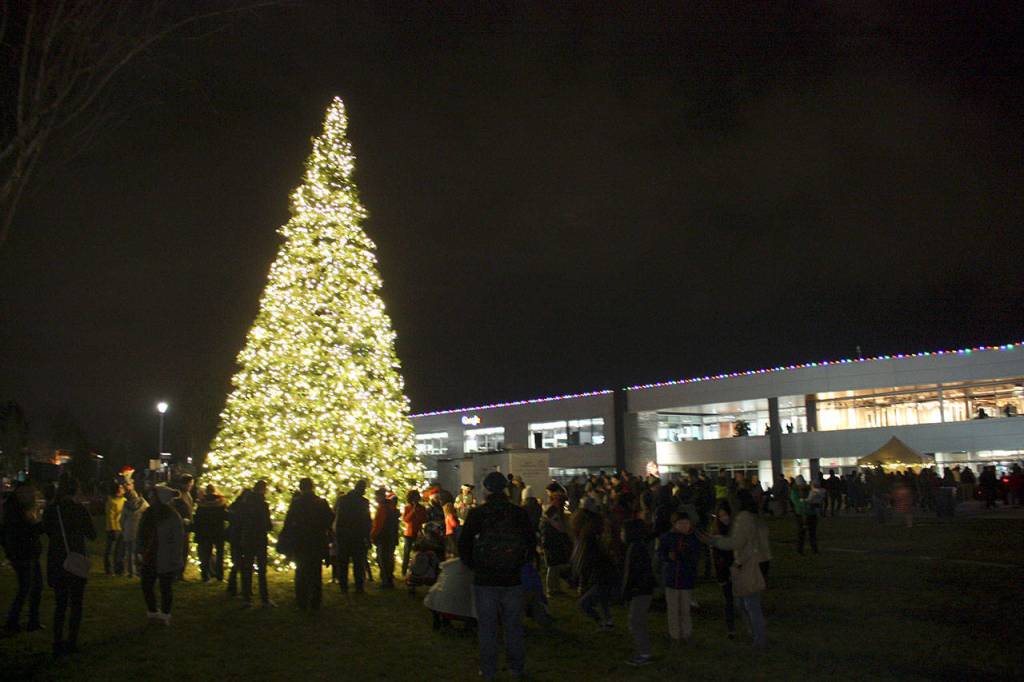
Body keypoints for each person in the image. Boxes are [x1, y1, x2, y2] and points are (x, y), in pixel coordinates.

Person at [458, 471, 535, 680]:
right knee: (513, 626)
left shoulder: (478, 513)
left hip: (485, 579)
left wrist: (474, 565)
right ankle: (516, 667)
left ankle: (488, 669)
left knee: (487, 627)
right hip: (512, 578)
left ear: (486, 489)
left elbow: (463, 544)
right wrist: (520, 563)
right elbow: (530, 543)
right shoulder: (518, 513)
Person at [704, 491, 768, 649]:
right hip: (756, 561)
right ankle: (755, 635)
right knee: (748, 603)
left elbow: (737, 542)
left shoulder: (743, 518)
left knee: (750, 604)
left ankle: (758, 638)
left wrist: (715, 541)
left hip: (747, 563)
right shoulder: (754, 516)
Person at [42, 474, 96, 655]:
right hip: (76, 557)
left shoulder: (51, 510)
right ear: (76, 490)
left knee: (60, 603)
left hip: (58, 559)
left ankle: (57, 641)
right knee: (76, 603)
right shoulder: (79, 509)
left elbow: (47, 531)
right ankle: (72, 640)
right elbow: (92, 534)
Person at [280, 478, 334, 610]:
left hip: (301, 542)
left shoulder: (297, 503)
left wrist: (287, 540)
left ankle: (301, 601)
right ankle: (315, 601)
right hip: (317, 541)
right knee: (315, 572)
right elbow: (330, 520)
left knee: (301, 572)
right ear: (312, 487)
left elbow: (289, 523)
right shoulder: (321, 503)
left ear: (301, 488)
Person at [137, 484, 185, 624]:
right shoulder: (148, 513)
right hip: (149, 555)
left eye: (153, 496)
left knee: (165, 587)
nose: (150, 499)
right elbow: (141, 533)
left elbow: (177, 539)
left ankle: (165, 614)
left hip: (165, 556)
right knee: (146, 585)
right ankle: (152, 611)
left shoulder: (172, 516)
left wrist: (176, 558)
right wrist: (140, 549)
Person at [3, 482, 43, 634]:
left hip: (29, 553)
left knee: (34, 587)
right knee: (26, 588)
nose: (33, 497)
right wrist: (39, 524)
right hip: (23, 554)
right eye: (31, 493)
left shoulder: (18, 508)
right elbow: (25, 532)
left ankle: (32, 620)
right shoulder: (16, 511)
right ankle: (12, 622)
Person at [658, 512, 701, 645]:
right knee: (673, 609)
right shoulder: (667, 537)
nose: (684, 526)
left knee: (685, 609)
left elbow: (695, 556)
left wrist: (683, 556)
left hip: (686, 579)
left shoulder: (693, 538)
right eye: (680, 523)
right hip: (671, 579)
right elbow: (660, 553)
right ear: (674, 524)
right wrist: (667, 557)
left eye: (686, 523)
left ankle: (687, 634)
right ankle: (675, 635)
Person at [571, 508, 617, 631]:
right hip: (602, 576)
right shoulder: (594, 539)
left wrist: (582, 581)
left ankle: (603, 622)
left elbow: (587, 562)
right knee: (603, 601)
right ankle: (607, 622)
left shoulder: (588, 541)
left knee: (585, 603)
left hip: (600, 577)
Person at [620, 518, 655, 666]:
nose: (621, 534)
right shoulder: (638, 547)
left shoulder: (635, 549)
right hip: (643, 590)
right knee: (637, 621)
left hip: (640, 591)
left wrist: (626, 592)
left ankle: (644, 653)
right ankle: (643, 651)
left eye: (623, 531)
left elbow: (632, 573)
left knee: (635, 622)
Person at [239, 480, 273, 606]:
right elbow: (267, 524)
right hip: (259, 538)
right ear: (263, 490)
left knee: (247, 568)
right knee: (261, 569)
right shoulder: (263, 504)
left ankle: (246, 598)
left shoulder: (245, 504)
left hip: (247, 538)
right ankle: (264, 598)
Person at [335, 479, 371, 593]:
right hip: (358, 536)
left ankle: (343, 586)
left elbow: (339, 517)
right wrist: (367, 537)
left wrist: (338, 533)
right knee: (358, 563)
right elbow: (366, 521)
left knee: (343, 563)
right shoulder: (363, 502)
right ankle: (359, 586)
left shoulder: (343, 500)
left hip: (344, 535)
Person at [193, 484, 228, 582]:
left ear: (206, 491)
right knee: (220, 554)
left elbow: (198, 518)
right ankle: (219, 575)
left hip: (206, 531)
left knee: (206, 554)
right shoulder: (221, 502)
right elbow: (226, 516)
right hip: (218, 531)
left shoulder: (202, 503)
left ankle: (205, 575)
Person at [539, 497, 572, 596]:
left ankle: (555, 588)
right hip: (551, 544)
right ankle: (552, 589)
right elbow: (558, 527)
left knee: (554, 567)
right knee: (553, 567)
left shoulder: (549, 517)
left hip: (552, 544)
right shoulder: (552, 517)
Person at [370, 488, 399, 589]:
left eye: (376, 496)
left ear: (380, 496)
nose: (375, 498)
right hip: (390, 536)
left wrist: (373, 535)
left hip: (383, 537)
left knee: (383, 559)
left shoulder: (383, 508)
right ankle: (389, 579)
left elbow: (378, 524)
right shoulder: (391, 507)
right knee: (388, 558)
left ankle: (386, 581)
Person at [120, 481, 148, 578]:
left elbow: (122, 520)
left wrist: (123, 528)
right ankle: (140, 570)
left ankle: (130, 571)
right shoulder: (143, 503)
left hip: (128, 531)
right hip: (139, 531)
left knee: (129, 552)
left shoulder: (126, 506)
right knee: (139, 552)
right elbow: (148, 513)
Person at [225, 489, 250, 596]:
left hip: (234, 536)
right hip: (240, 537)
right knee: (241, 564)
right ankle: (242, 589)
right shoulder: (245, 507)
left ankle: (232, 586)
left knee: (236, 562)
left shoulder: (234, 505)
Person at [171, 474, 194, 580]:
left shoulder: (187, 494)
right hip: (180, 526)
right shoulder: (178, 494)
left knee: (184, 549)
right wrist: (182, 519)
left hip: (186, 526)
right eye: (190, 484)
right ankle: (176, 573)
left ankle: (180, 572)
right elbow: (174, 509)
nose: (191, 486)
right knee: (179, 550)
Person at [401, 490, 428, 577]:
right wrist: (413, 511)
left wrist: (418, 513)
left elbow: (424, 519)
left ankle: (417, 571)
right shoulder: (407, 507)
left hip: (418, 533)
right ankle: (404, 571)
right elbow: (405, 519)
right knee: (406, 553)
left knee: (418, 553)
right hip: (408, 533)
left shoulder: (422, 508)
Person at [791, 475, 818, 554]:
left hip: (809, 514)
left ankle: (814, 549)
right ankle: (800, 550)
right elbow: (798, 503)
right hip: (802, 514)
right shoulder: (795, 492)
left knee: (811, 533)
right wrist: (808, 503)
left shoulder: (807, 490)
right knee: (802, 533)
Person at [103, 483, 126, 575]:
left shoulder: (124, 500)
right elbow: (110, 516)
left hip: (121, 528)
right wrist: (113, 529)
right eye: (120, 488)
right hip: (113, 529)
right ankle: (108, 569)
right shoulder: (111, 501)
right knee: (110, 550)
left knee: (119, 550)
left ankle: (118, 569)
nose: (122, 489)